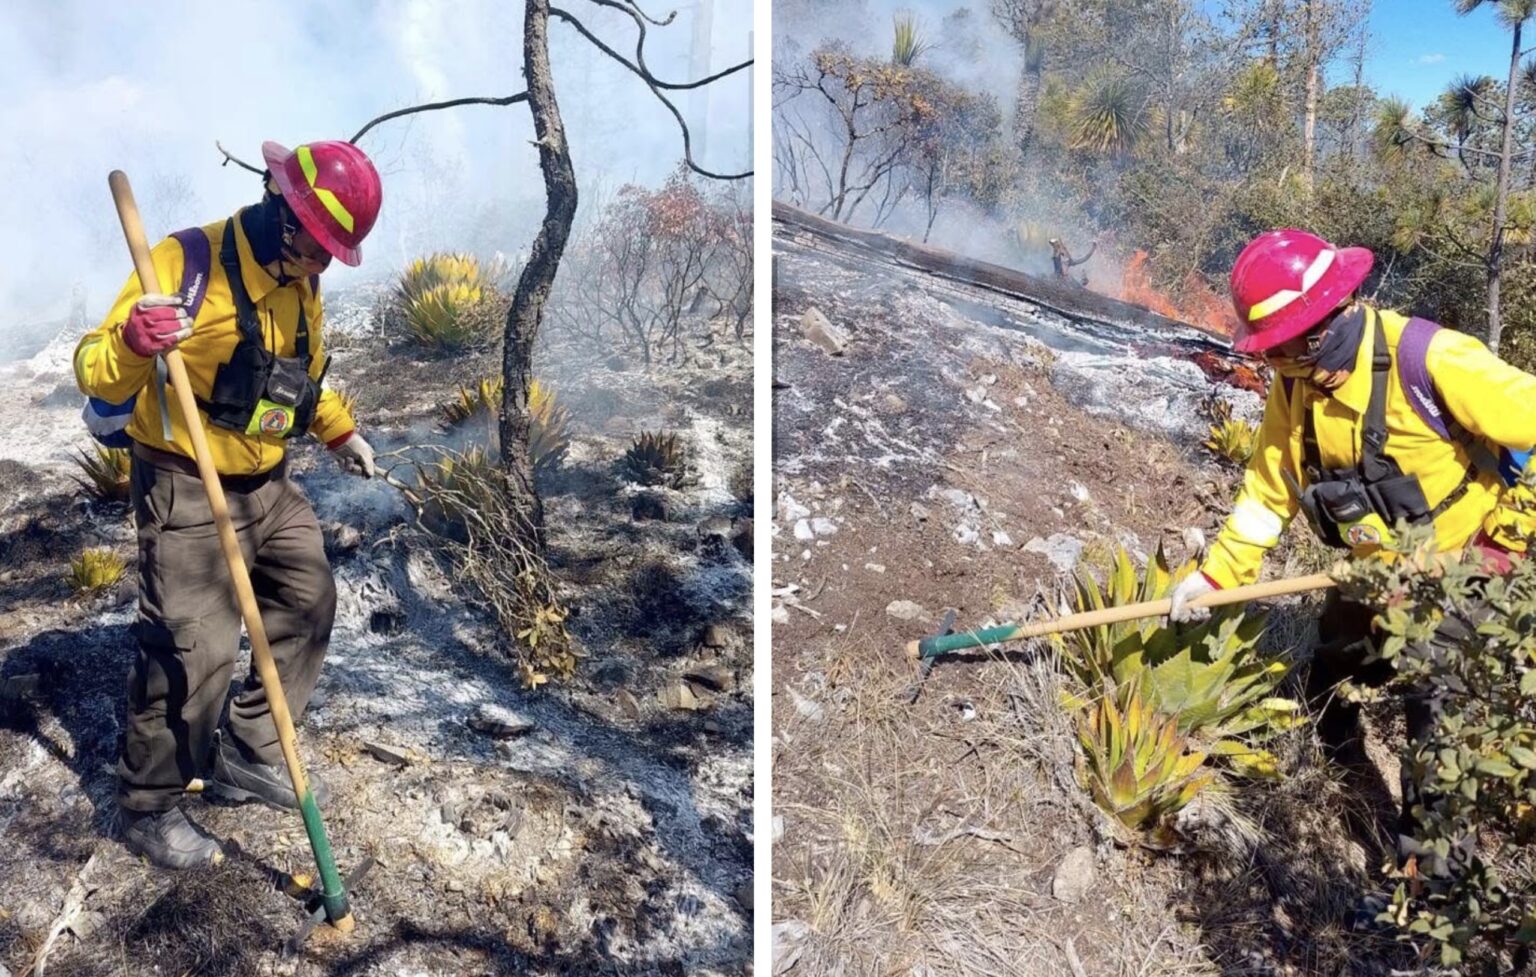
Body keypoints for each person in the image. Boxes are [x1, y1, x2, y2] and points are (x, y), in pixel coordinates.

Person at [1167, 228, 1536, 875]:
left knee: (1436, 716)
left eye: (1283, 349)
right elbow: (1267, 489)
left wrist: (1503, 544)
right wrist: (1215, 574)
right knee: (1332, 667)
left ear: (1321, 324)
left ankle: (1431, 873)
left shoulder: (1433, 359)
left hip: (1460, 568)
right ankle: (1334, 760)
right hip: (1370, 570)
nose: (1277, 365)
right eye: (1273, 353)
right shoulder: (1294, 385)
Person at [74, 140, 383, 870]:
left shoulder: (300, 279)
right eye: (320, 244)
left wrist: (340, 431)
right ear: (282, 211)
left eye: (336, 251)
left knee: (309, 597)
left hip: (268, 482)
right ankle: (148, 803)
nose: (326, 262)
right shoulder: (185, 262)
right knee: (194, 647)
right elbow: (92, 369)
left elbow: (296, 377)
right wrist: (130, 342)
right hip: (186, 483)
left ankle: (245, 751)